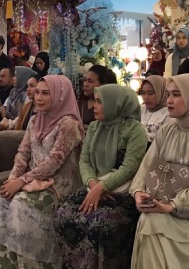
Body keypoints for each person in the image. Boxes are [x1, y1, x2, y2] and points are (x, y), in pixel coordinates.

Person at [0, 75, 84, 268]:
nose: (38, 98)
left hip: (59, 185)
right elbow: (23, 153)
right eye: (37, 92)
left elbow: (54, 162)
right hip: (34, 181)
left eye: (45, 93)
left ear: (60, 96)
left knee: (22, 204)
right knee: (2, 198)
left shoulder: (68, 124)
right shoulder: (34, 120)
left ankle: (33, 264)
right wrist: (12, 179)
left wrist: (21, 181)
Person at [54, 85, 148, 269]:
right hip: (93, 188)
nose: (94, 106)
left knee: (99, 223)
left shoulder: (135, 130)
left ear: (115, 103)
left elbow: (130, 167)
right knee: (62, 215)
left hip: (122, 195)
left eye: (99, 102)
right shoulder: (95, 127)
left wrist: (102, 187)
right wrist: (93, 184)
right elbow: (84, 160)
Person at [130, 74, 189, 268]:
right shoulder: (167, 130)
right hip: (163, 205)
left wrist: (173, 206)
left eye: (176, 94)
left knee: (154, 221)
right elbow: (147, 165)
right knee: (149, 220)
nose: (169, 100)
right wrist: (138, 192)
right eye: (168, 94)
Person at [139, 75, 170, 143]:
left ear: (161, 92)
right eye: (143, 93)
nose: (146, 97)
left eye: (150, 93)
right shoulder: (140, 110)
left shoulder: (168, 114)